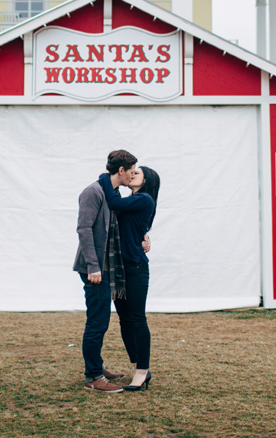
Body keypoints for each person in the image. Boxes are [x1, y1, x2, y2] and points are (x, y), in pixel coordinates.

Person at [73, 149, 136, 393]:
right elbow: (84, 229)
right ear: (121, 170)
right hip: (95, 269)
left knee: (102, 321)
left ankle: (96, 366)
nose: (133, 175)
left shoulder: (112, 193)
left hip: (105, 267)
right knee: (97, 322)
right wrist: (93, 266)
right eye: (131, 171)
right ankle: (93, 376)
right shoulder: (93, 192)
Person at [98, 164, 160, 392]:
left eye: (137, 173)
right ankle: (137, 364)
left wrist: (105, 177)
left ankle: (142, 371)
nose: (132, 174)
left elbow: (113, 203)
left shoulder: (144, 199)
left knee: (136, 319)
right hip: (120, 267)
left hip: (135, 268)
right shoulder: (131, 199)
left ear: (147, 180)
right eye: (131, 172)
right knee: (124, 319)